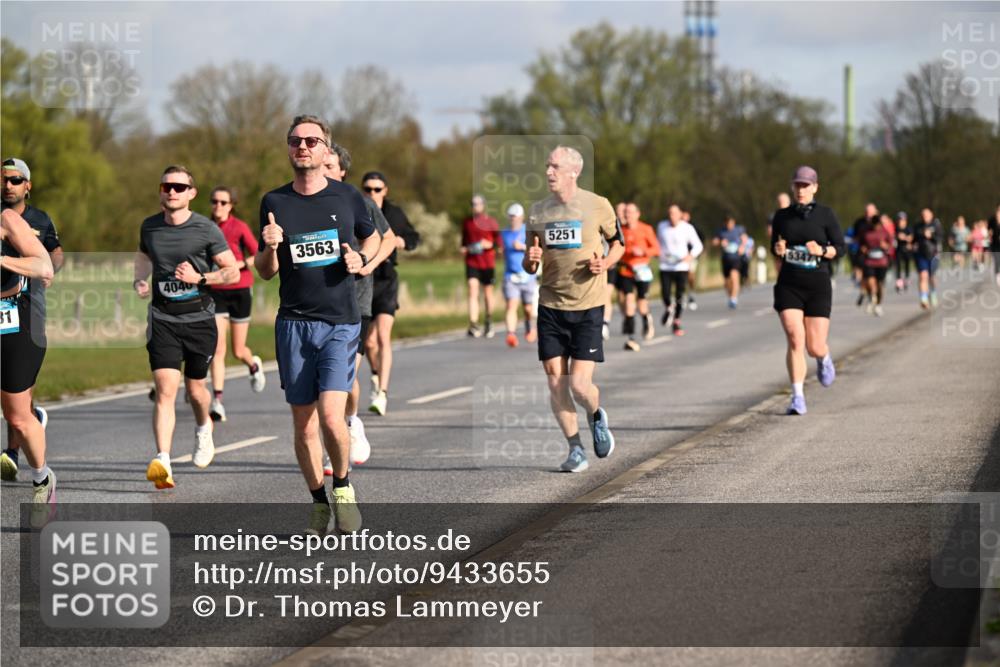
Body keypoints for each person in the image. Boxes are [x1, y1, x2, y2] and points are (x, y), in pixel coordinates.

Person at [255, 115, 379, 535]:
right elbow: (265, 271)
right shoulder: (274, 201)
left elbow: (372, 237)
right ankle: (318, 502)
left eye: (312, 141)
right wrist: (269, 248)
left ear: (326, 148)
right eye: (295, 141)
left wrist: (361, 258)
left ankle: (342, 487)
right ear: (288, 148)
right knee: (304, 423)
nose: (303, 147)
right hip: (294, 323)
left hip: (339, 322)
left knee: (330, 416)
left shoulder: (347, 196)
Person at [134, 166, 239, 490]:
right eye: (167, 186)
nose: (172, 191)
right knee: (165, 390)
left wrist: (200, 278)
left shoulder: (206, 229)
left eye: (180, 187)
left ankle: (203, 427)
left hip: (199, 321)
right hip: (163, 320)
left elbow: (232, 271)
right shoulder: (150, 226)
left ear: (192, 193)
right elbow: (143, 256)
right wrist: (140, 279)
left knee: (195, 391)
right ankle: (163, 460)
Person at [523, 146, 624, 473]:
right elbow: (529, 262)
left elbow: (618, 244)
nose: (548, 172)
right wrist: (531, 261)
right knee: (556, 382)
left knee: (580, 385)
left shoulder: (598, 205)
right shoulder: (537, 212)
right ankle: (575, 449)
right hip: (551, 305)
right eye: (547, 166)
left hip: (588, 305)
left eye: (555, 166)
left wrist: (605, 263)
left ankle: (595, 415)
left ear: (573, 172)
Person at [322, 142, 396, 471]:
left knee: (345, 373)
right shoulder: (305, 204)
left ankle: (351, 422)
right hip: (317, 303)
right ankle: (335, 444)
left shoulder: (359, 201)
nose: (323, 171)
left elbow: (388, 239)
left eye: (329, 166)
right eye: (320, 165)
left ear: (342, 171)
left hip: (356, 301)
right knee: (324, 383)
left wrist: (368, 262)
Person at [1, 158, 63, 482]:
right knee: (15, 408)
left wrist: (6, 261)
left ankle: (34, 469)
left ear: (27, 185)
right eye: (4, 179)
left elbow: (49, 261)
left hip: (22, 313)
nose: (8, 185)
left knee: (17, 410)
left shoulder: (22, 219)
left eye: (15, 180)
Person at [770, 166, 844, 416]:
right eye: (797, 185)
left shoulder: (825, 215)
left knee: (814, 346)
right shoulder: (782, 216)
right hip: (789, 285)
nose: (800, 190)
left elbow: (841, 248)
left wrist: (821, 251)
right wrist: (779, 249)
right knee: (794, 338)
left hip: (817, 285)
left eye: (805, 185)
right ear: (792, 187)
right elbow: (774, 247)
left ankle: (823, 358)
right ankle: (797, 397)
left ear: (815, 187)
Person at [1, 205, 55, 526]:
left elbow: (44, 267)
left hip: (14, 325)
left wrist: (3, 260)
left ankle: (42, 479)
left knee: (18, 419)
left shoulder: (7, 220)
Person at [360, 171, 420, 417]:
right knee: (368, 342)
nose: (372, 193)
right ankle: (375, 374)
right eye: (368, 189)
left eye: (377, 189)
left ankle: (382, 394)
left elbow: (414, 237)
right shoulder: (357, 210)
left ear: (385, 190)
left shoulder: (394, 213)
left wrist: (401, 242)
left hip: (386, 279)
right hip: (364, 281)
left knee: (383, 336)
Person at [206, 186, 265, 423]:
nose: (218, 206)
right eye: (214, 201)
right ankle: (217, 401)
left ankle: (253, 365)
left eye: (223, 202)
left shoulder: (239, 227)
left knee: (238, 351)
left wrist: (238, 265)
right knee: (217, 349)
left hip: (240, 290)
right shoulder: (204, 227)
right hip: (216, 292)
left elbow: (258, 253)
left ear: (231, 205)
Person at [616, 202, 660, 350]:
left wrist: (643, 252)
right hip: (626, 270)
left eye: (630, 212)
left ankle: (646, 319)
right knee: (628, 301)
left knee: (641, 303)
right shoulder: (620, 230)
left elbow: (656, 249)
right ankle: (631, 338)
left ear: (637, 214)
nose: (627, 215)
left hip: (642, 270)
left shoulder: (646, 229)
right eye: (625, 212)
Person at [656, 204, 703, 337]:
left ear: (680, 214)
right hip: (665, 266)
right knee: (665, 293)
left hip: (681, 267)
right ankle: (669, 308)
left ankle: (677, 321)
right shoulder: (662, 226)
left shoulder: (687, 228)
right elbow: (657, 243)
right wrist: (657, 253)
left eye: (674, 213)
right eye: (670, 213)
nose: (672, 216)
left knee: (679, 295)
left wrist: (690, 256)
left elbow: (698, 245)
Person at [461, 194, 501, 339]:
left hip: (487, 263)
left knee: (488, 293)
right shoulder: (467, 222)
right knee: (472, 290)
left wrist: (489, 245)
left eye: (478, 204)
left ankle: (488, 321)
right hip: (472, 262)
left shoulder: (491, 222)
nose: (475, 207)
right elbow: (464, 242)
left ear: (483, 206)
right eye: (473, 204)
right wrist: (464, 248)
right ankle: (473, 324)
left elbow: (499, 245)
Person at [500, 202, 538, 348]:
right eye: (511, 216)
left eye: (515, 216)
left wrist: (522, 247)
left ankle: (529, 326)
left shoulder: (527, 231)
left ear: (521, 217)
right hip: (510, 275)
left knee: (528, 308)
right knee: (511, 304)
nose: (513, 219)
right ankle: (511, 334)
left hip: (527, 275)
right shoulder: (504, 233)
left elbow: (536, 249)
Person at [860, 213, 894, 316]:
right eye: (875, 225)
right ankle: (872, 297)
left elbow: (891, 245)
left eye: (878, 225)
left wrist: (885, 246)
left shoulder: (885, 231)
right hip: (869, 261)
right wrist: (863, 249)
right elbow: (861, 243)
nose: (876, 227)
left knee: (880, 284)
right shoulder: (866, 231)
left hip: (882, 262)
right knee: (870, 282)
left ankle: (878, 305)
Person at [712, 215, 749, 308]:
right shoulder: (721, 231)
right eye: (728, 223)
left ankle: (734, 298)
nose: (730, 225)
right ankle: (731, 297)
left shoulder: (738, 230)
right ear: (725, 223)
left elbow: (745, 239)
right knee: (727, 282)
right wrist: (720, 242)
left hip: (736, 258)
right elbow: (714, 241)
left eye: (731, 223)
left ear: (734, 222)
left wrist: (742, 247)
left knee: (734, 276)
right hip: (725, 258)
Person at [602, 202, 627, 340]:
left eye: (623, 211)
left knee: (622, 297)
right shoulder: (609, 222)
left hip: (625, 267)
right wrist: (608, 259)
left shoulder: (631, 226)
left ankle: (627, 318)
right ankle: (605, 324)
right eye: (618, 211)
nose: (621, 214)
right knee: (607, 294)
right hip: (610, 265)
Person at [849, 203, 879, 306]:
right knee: (863, 273)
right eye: (867, 211)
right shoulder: (859, 222)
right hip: (862, 252)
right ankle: (864, 291)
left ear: (875, 212)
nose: (868, 214)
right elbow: (855, 237)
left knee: (874, 277)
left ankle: (872, 294)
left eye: (870, 212)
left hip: (877, 253)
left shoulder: (879, 222)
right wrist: (860, 245)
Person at [913, 208, 943, 309]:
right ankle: (924, 298)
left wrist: (931, 236)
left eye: (926, 215)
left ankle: (933, 292)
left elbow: (940, 238)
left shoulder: (936, 225)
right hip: (921, 255)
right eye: (923, 215)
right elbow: (914, 239)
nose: (924, 217)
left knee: (932, 277)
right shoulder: (918, 226)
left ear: (931, 215)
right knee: (923, 276)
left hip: (933, 255)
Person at [683, 209, 702, 311]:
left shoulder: (693, 227)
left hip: (691, 256)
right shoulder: (674, 228)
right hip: (680, 257)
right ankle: (681, 297)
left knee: (690, 275)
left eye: (685, 216)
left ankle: (691, 294)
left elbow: (701, 240)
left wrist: (694, 253)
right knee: (681, 277)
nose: (684, 218)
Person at [894, 212, 914, 293]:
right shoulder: (895, 229)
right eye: (899, 220)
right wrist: (897, 237)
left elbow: (911, 238)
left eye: (902, 220)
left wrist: (904, 237)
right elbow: (893, 237)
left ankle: (906, 280)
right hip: (898, 250)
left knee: (907, 265)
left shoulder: (908, 228)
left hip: (907, 250)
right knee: (898, 266)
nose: (901, 221)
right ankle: (899, 283)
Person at [989, 205, 1000, 287]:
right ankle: (997, 276)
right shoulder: (992, 220)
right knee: (997, 260)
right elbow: (989, 230)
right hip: (995, 244)